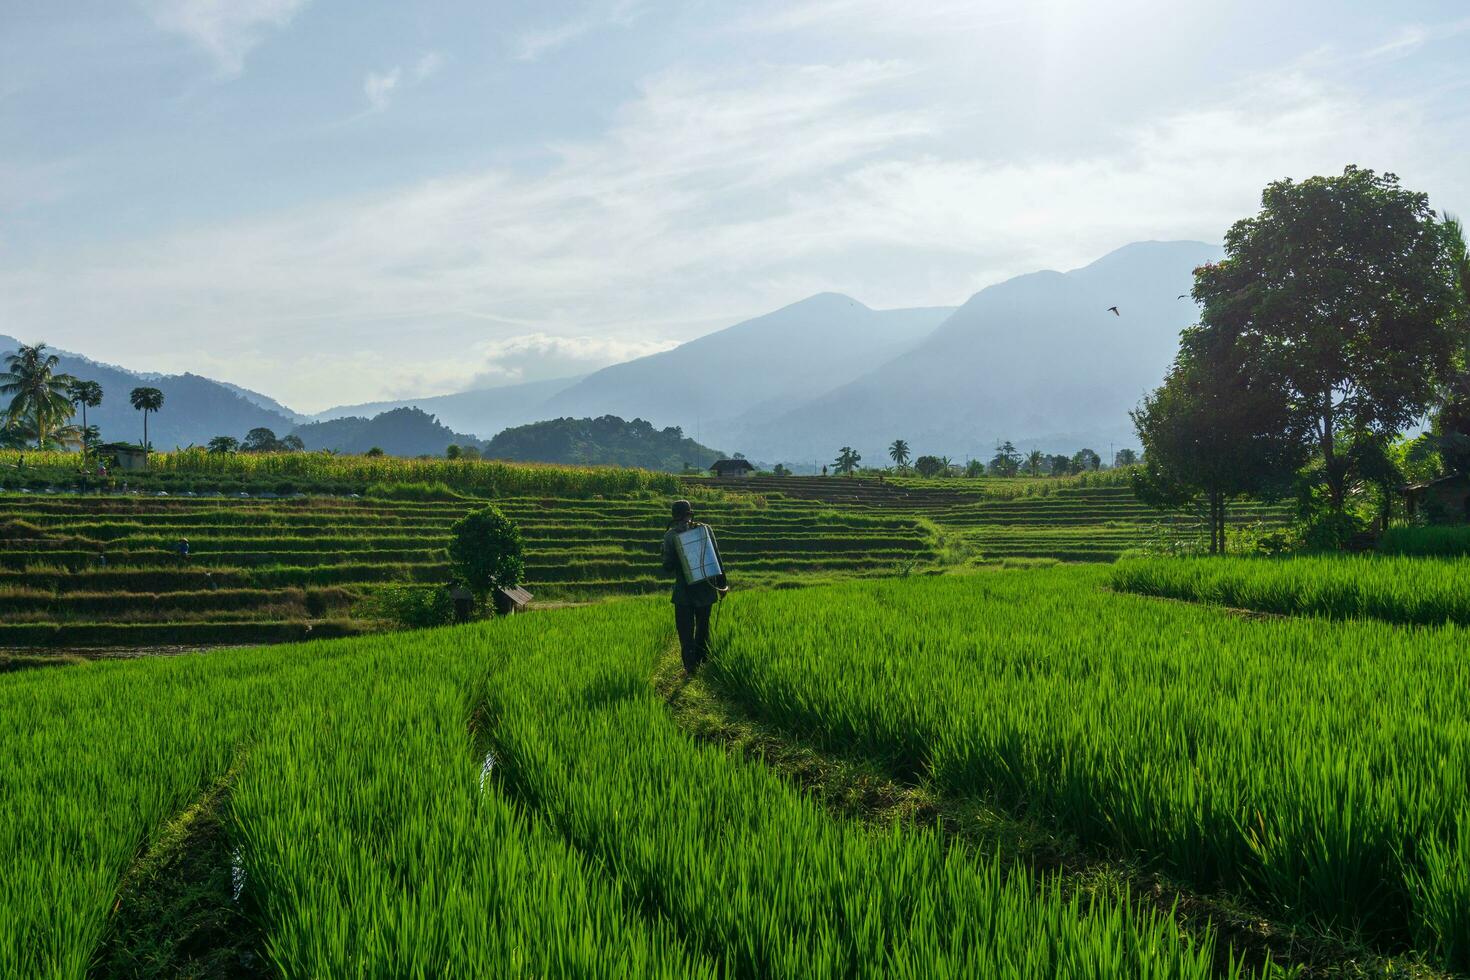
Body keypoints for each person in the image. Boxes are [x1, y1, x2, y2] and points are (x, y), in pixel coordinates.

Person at [661, 499, 727, 674]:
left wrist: (675, 555)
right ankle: (702, 662)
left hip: (684, 593)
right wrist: (723, 585)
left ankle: (690, 667)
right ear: (690, 514)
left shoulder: (670, 535)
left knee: (685, 631)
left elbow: (667, 567)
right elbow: (717, 559)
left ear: (674, 516)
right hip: (706, 588)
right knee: (703, 627)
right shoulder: (704, 529)